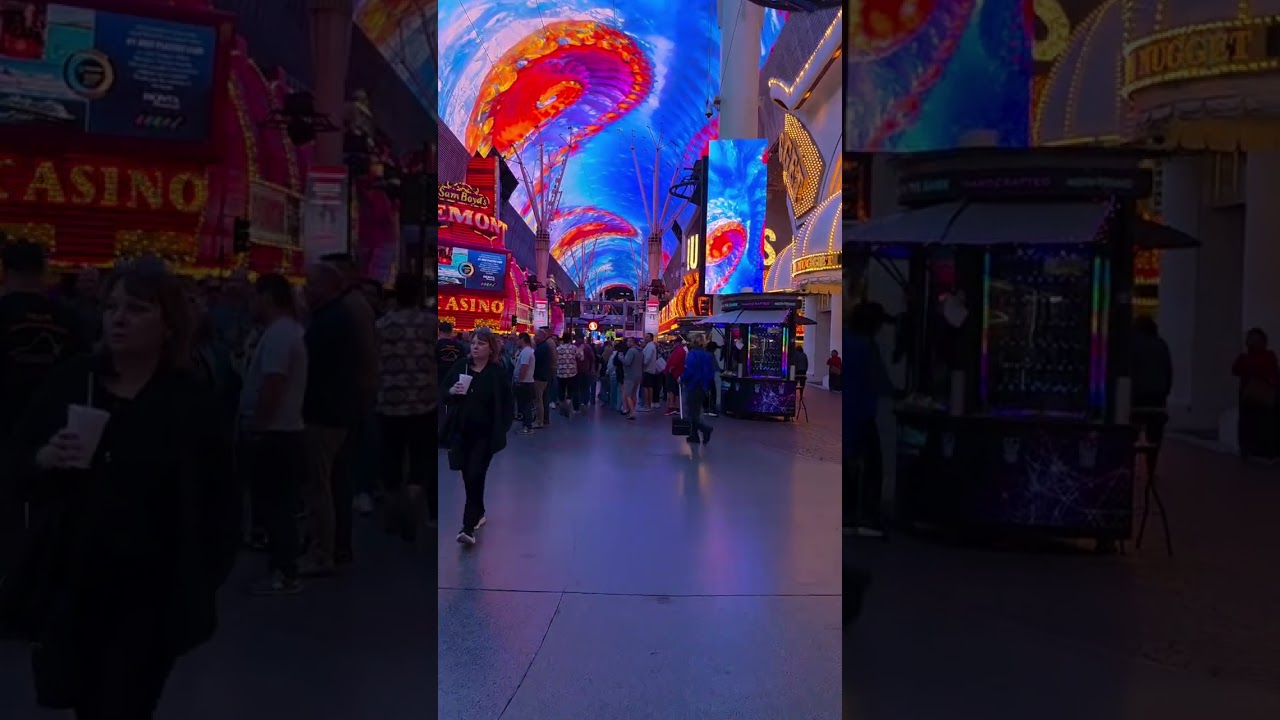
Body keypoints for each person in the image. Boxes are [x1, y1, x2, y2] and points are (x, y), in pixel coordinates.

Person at [0, 261, 238, 718]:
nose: (119, 318)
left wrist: (200, 579)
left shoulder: (188, 403)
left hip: (150, 594)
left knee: (126, 705)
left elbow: (219, 500)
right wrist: (45, 457)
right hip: (74, 584)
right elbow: (16, 468)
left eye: (137, 308)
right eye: (111, 307)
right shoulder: (74, 381)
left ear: (168, 325)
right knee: (85, 703)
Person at [239, 273, 308, 595]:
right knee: (279, 503)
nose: (251, 303)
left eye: (255, 296)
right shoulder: (288, 331)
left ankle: (284, 571)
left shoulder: (279, 335)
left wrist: (258, 423)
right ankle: (283, 568)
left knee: (275, 505)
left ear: (267, 297)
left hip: (275, 432)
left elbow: (273, 383)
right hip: (284, 429)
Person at [298, 262, 361, 576]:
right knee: (334, 483)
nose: (305, 289)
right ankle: (336, 547)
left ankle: (324, 552)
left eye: (310, 284)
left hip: (325, 415)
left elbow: (312, 369)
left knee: (319, 485)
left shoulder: (328, 320)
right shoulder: (338, 316)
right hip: (339, 412)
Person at [440, 327, 515, 545]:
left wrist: (502, 427)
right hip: (461, 432)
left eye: (481, 344)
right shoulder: (460, 367)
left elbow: (507, 402)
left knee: (475, 474)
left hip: (485, 435)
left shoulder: (496, 373)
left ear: (490, 348)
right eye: (473, 343)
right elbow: (444, 391)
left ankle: (467, 527)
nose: (475, 347)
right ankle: (479, 511)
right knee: (468, 477)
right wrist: (451, 391)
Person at [374, 273, 435, 539]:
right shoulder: (429, 324)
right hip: (424, 402)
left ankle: (392, 511)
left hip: (390, 402)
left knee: (391, 456)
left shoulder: (383, 325)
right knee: (420, 456)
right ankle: (414, 500)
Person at [845, 302, 892, 537]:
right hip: (862, 412)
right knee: (872, 465)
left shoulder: (846, 340)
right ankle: (868, 518)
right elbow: (881, 381)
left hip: (846, 412)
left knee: (848, 465)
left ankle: (847, 515)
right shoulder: (867, 345)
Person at [1130, 315, 1172, 467]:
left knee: (1130, 432)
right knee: (1155, 435)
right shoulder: (1161, 345)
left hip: (1136, 396)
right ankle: (1151, 466)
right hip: (1157, 396)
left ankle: (1129, 465)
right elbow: (1168, 371)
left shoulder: (1133, 344)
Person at [1232, 327, 1280, 460]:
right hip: (1253, 397)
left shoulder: (1264, 356)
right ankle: (1255, 450)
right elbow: (1236, 369)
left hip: (1260, 397)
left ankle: (1261, 451)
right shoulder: (1249, 357)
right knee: (1253, 423)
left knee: (1262, 423)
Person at [679, 333, 717, 444]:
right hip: (703, 387)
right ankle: (694, 435)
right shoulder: (708, 355)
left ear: (694, 341)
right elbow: (711, 373)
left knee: (691, 412)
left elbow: (689, 370)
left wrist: (681, 378)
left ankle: (705, 429)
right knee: (695, 411)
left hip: (692, 385)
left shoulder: (693, 354)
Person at [512, 332, 536, 435]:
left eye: (518, 339)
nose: (517, 342)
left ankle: (527, 426)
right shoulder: (529, 351)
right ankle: (527, 425)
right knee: (526, 404)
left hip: (524, 382)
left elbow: (524, 367)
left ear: (522, 340)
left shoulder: (526, 352)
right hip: (528, 381)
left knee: (525, 405)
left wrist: (519, 380)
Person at [555, 331, 582, 417]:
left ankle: (562, 406)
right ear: (570, 339)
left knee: (561, 389)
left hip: (561, 373)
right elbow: (580, 357)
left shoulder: (558, 348)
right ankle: (569, 403)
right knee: (570, 390)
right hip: (572, 373)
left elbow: (555, 359)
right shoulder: (573, 348)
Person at [533, 328, 554, 427]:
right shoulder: (545, 346)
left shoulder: (541, 348)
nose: (534, 337)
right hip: (545, 376)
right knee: (543, 399)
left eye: (536, 335)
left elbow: (535, 361)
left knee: (538, 400)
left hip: (540, 377)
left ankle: (539, 421)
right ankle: (544, 419)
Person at [620, 336, 643, 419]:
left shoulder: (631, 351)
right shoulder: (640, 351)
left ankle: (632, 412)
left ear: (632, 342)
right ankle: (633, 410)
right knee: (634, 394)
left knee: (628, 395)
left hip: (630, 375)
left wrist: (621, 357)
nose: (627, 343)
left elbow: (627, 362)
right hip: (638, 374)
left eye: (628, 341)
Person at [664, 336, 687, 416]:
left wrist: (670, 369)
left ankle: (671, 407)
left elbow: (675, 361)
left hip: (673, 373)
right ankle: (676, 407)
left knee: (671, 390)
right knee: (676, 391)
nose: (674, 343)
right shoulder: (680, 350)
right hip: (677, 373)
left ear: (678, 343)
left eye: (675, 342)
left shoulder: (678, 350)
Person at [641, 332, 659, 410]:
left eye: (647, 337)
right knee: (649, 387)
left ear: (651, 338)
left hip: (647, 369)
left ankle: (647, 405)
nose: (645, 338)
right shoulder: (651, 346)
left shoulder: (649, 347)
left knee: (646, 387)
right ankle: (649, 403)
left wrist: (642, 366)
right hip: (650, 369)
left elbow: (647, 359)